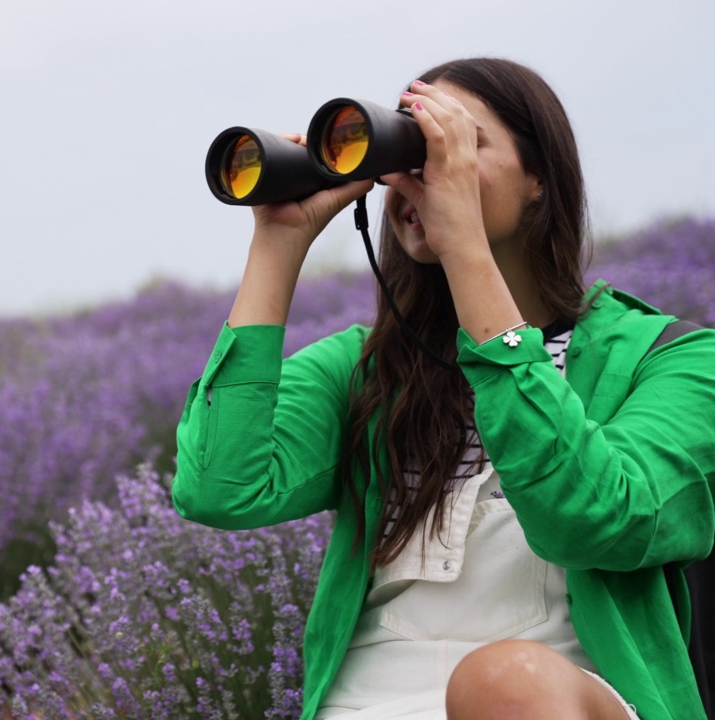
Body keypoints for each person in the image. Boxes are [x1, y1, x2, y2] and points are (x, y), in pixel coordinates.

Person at [172, 57, 715, 719]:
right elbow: (218, 488)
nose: (426, 174)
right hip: (368, 705)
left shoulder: (673, 358)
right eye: (410, 146)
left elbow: (593, 522)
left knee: (504, 681)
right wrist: (278, 243)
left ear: (540, 178)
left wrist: (466, 250)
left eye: (458, 144)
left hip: (558, 695)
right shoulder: (366, 366)